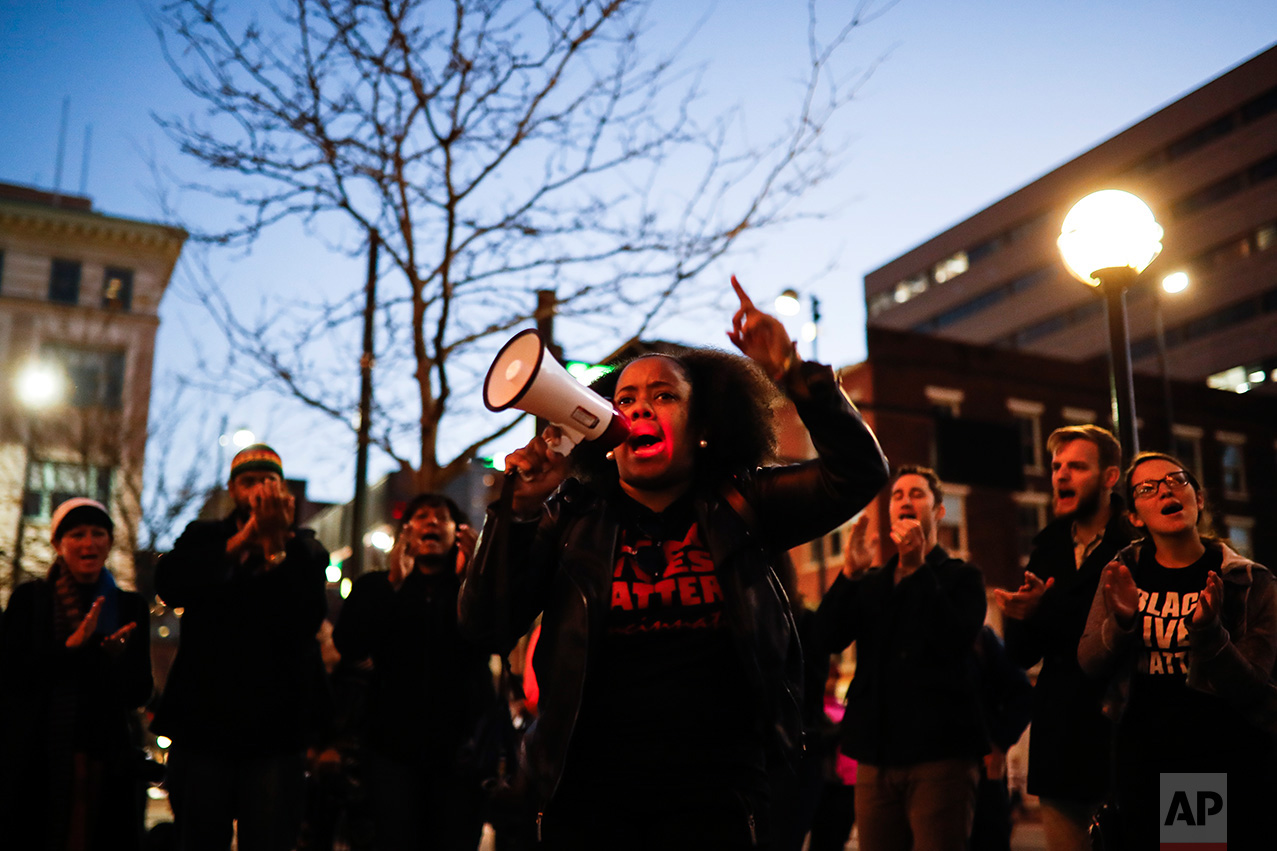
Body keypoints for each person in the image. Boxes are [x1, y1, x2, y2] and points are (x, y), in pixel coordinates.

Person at [459, 277, 889, 851]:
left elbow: (858, 472)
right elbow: (483, 625)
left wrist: (791, 370)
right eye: (626, 400)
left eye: (663, 395)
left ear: (705, 429)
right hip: (588, 798)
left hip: (717, 799)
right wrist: (519, 512)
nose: (639, 408)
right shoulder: (571, 518)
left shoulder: (744, 503)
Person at [1078, 452, 1277, 848]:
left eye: (1177, 480)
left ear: (1199, 500)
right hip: (1139, 756)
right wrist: (1121, 622)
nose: (1166, 490)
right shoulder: (1123, 571)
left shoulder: (1247, 580)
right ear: (1135, 516)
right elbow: (1089, 662)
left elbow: (1253, 684)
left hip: (1207, 756)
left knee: (1192, 846)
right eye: (1148, 489)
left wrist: (1210, 634)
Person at [154, 443, 330, 851]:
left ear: (284, 491)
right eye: (248, 481)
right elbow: (170, 583)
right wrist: (242, 541)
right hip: (204, 726)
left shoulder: (306, 549)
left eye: (268, 481)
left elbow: (305, 621)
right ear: (233, 490)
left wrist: (275, 547)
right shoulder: (204, 536)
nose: (258, 491)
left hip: (275, 732)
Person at [814, 465, 988, 851]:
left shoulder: (962, 578)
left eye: (917, 493)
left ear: (939, 511)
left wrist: (916, 571)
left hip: (940, 754)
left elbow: (953, 640)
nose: (905, 500)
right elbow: (826, 636)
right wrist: (849, 575)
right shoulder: (875, 581)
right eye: (897, 495)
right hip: (875, 755)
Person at [992, 425, 1128, 851]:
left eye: (1077, 466)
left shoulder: (1135, 545)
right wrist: (1019, 616)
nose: (1061, 475)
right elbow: (1021, 654)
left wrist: (1045, 611)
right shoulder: (1047, 547)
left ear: (1110, 477)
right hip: (1062, 743)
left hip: (1121, 742)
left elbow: (1114, 635)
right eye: (1056, 467)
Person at [333, 492, 493, 851]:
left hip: (461, 756)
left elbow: (492, 640)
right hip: (391, 753)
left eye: (442, 517)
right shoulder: (377, 587)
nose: (432, 522)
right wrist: (393, 583)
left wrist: (474, 581)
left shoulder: (471, 589)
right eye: (421, 517)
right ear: (406, 534)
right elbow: (350, 644)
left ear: (458, 533)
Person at [0, 497, 152, 850]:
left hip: (107, 763)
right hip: (37, 762)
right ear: (57, 544)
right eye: (77, 534)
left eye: (98, 532)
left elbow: (138, 692)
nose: (89, 542)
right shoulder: (31, 601)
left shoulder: (129, 607)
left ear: (110, 542)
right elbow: (13, 676)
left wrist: (112, 657)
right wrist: (71, 648)